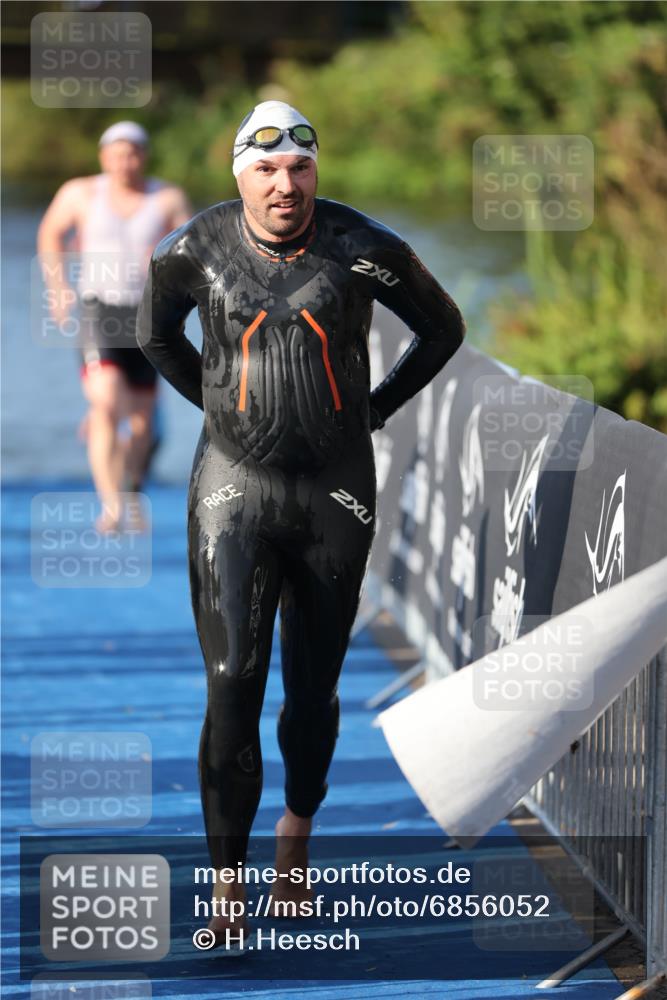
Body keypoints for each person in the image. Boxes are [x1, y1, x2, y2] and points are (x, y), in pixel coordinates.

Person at [137, 100, 465, 948]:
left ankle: (295, 836)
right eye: (268, 170)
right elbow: (154, 336)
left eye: (301, 169)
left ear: (315, 171)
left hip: (335, 492)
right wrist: (217, 414)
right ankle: (226, 887)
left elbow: (442, 330)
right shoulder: (194, 249)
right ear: (240, 175)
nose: (287, 185)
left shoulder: (363, 248)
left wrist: (373, 410)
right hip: (230, 491)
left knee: (311, 691)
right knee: (231, 681)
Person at [37, 121, 192, 532]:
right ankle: (111, 507)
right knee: (105, 405)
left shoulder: (166, 196)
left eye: (133, 154)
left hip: (146, 314)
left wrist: (179, 288)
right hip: (98, 310)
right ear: (104, 157)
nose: (125, 163)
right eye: (117, 154)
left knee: (141, 423)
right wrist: (58, 288)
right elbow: (51, 232)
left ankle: (131, 487)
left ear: (144, 156)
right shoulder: (80, 193)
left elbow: (192, 250)